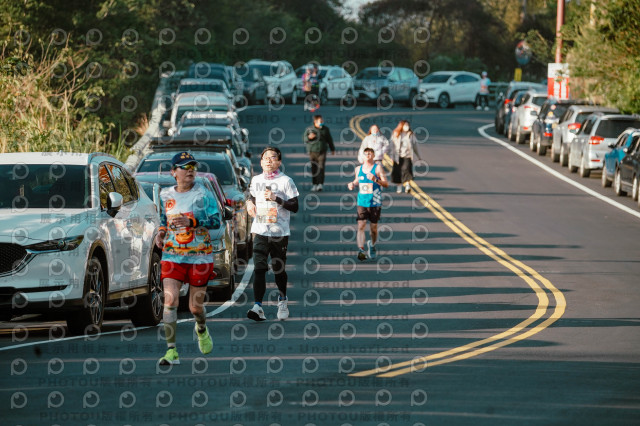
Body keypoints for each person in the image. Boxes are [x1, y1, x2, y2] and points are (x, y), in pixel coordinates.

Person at [155, 152, 221, 365]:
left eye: (193, 166)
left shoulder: (203, 194)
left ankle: (201, 328)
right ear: (173, 172)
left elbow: (216, 221)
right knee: (170, 300)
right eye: (185, 167)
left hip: (199, 256)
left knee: (195, 308)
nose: (190, 170)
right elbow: (164, 220)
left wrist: (192, 223)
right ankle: (171, 351)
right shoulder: (165, 195)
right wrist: (161, 233)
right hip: (172, 255)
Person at [245, 146, 299, 321]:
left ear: (279, 162)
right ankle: (258, 306)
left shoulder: (286, 181)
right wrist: (249, 203)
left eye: (273, 157)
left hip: (279, 231)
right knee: (259, 267)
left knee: (278, 268)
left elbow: (295, 206)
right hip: (260, 229)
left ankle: (282, 301)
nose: (268, 160)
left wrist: (277, 198)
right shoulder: (256, 180)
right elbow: (252, 196)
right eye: (265, 158)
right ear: (261, 162)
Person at [347, 147, 389, 261]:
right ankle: (361, 250)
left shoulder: (378, 168)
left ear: (374, 156)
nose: (368, 155)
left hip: (375, 202)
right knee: (361, 225)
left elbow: (386, 184)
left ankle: (372, 244)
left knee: (373, 228)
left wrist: (375, 179)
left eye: (370, 154)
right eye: (366, 154)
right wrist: (352, 184)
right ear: (363, 156)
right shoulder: (358, 169)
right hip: (362, 201)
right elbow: (357, 180)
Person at [303, 114, 335, 192]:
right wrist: (309, 137)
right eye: (320, 121)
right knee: (314, 168)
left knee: (321, 167)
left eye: (322, 120)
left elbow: (329, 139)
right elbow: (304, 138)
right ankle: (314, 184)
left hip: (322, 151)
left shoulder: (325, 129)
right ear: (315, 121)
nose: (321, 122)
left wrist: (332, 149)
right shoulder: (310, 129)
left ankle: (320, 184)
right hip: (312, 151)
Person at [390, 120, 422, 193]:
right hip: (398, 156)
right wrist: (391, 156)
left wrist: (419, 156)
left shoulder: (411, 134)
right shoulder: (396, 133)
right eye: (405, 125)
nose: (407, 127)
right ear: (401, 126)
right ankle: (399, 186)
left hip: (407, 156)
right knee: (398, 171)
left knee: (407, 170)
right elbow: (392, 146)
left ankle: (407, 185)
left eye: (408, 125)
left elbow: (415, 146)